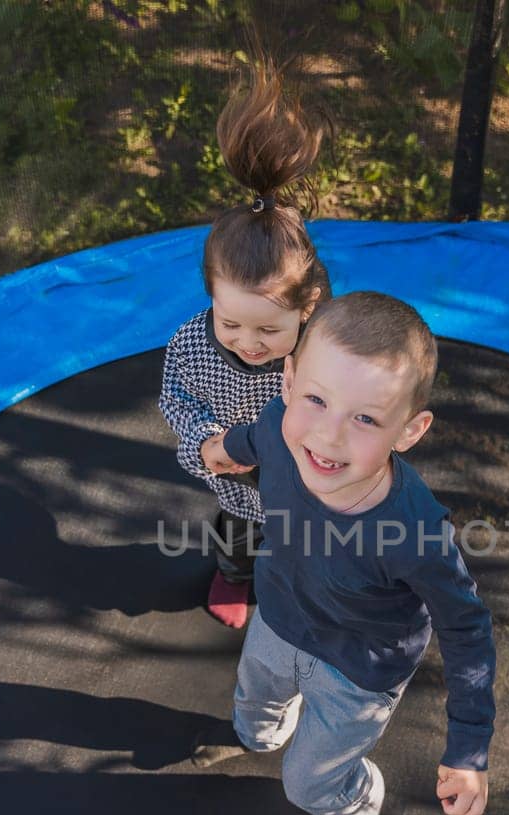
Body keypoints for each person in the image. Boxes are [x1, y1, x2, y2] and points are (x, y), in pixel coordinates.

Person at [190, 292, 496, 815]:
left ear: (409, 430)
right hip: (279, 619)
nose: (328, 437)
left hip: (356, 671)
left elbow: (467, 628)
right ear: (287, 382)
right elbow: (254, 439)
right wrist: (220, 449)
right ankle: (262, 736)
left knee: (308, 784)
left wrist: (468, 748)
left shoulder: (414, 532)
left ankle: (355, 804)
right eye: (316, 399)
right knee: (254, 709)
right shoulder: (282, 428)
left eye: (365, 419)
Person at [157, 48, 330, 629]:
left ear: (306, 309)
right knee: (239, 541)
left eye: (268, 329)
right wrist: (205, 443)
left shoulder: (326, 349)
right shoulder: (193, 346)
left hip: (311, 488)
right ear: (211, 298)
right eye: (230, 322)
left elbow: (358, 403)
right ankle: (234, 575)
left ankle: (302, 587)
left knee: (309, 550)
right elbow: (176, 402)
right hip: (239, 487)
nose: (247, 343)